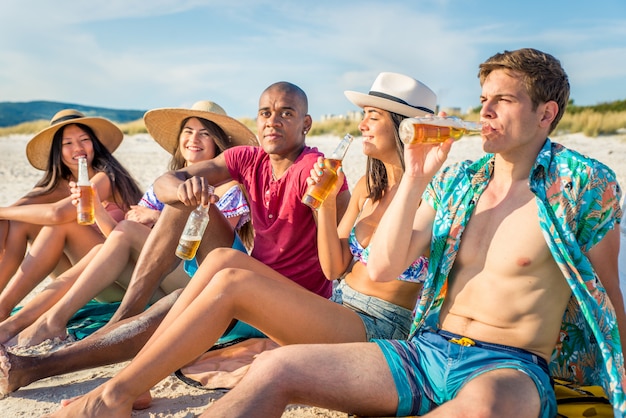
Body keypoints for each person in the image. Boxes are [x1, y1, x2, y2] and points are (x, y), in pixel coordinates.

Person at [204, 48, 626, 418]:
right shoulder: (460, 181)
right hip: (426, 351)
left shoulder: (582, 187)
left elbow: (608, 296)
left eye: (504, 100)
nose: (485, 112)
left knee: (482, 408)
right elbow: (386, 265)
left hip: (508, 365)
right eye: (483, 100)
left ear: (546, 114)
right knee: (276, 368)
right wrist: (416, 177)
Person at [39, 72, 435, 416]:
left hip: (378, 328)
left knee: (230, 281)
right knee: (223, 261)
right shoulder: (369, 187)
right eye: (364, 115)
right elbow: (337, 269)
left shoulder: (432, 194)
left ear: (405, 127)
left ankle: (115, 394)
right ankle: (135, 379)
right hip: (339, 305)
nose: (362, 124)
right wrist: (326, 207)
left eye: (373, 116)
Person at [0, 81, 350, 397]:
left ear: (305, 124)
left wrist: (327, 201)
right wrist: (185, 187)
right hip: (246, 270)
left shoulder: (316, 170)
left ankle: (33, 367)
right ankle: (123, 316)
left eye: (286, 113)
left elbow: (337, 259)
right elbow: (167, 182)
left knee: (175, 306)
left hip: (286, 299)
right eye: (265, 112)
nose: (273, 120)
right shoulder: (248, 158)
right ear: (257, 121)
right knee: (181, 201)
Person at [0, 101, 256, 347]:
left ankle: (51, 320)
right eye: (188, 131)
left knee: (118, 233)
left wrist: (159, 219)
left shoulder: (228, 188)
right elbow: (120, 242)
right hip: (152, 280)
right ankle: (19, 323)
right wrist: (98, 209)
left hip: (194, 282)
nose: (194, 139)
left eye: (205, 134)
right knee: (105, 245)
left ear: (219, 144)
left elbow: (217, 248)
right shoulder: (164, 186)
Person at [0, 110, 143, 320]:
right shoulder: (57, 185)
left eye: (85, 140)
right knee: (18, 222)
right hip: (82, 276)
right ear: (57, 151)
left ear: (95, 144)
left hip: (118, 280)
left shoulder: (106, 178)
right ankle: (2, 304)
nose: (78, 148)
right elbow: (13, 213)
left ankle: (3, 309)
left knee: (62, 224)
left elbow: (58, 214)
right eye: (67, 143)